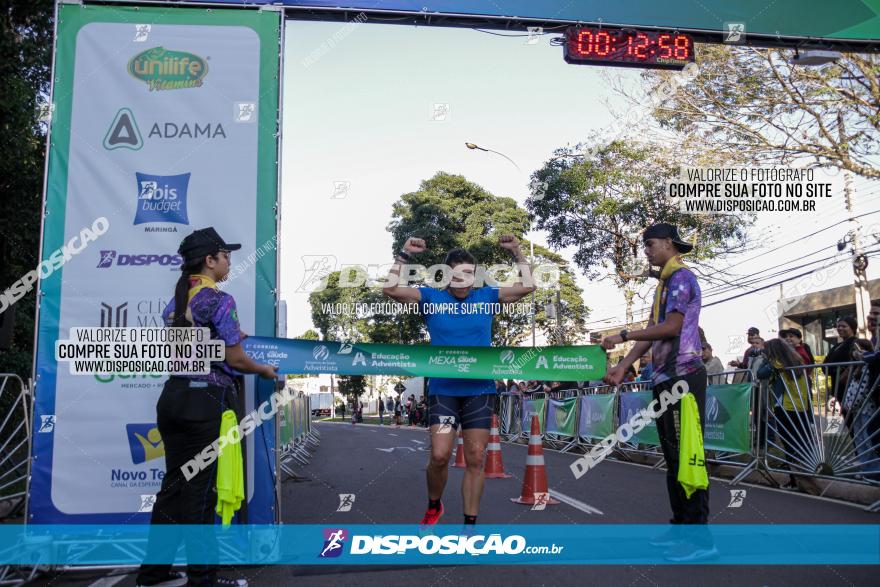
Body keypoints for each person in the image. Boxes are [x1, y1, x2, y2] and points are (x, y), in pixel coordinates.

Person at [137, 227, 278, 587]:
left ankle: (153, 574)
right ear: (210, 261)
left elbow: (199, 350)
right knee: (199, 493)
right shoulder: (219, 300)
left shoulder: (176, 302)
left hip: (173, 399)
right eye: (225, 255)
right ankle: (203, 579)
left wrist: (231, 335)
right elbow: (237, 360)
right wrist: (263, 368)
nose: (229, 261)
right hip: (204, 403)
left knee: (173, 487)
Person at [382, 234, 535, 526]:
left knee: (476, 457)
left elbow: (528, 286)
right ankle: (433, 505)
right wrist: (404, 254)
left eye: (468, 274)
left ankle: (470, 525)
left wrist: (516, 251)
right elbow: (390, 288)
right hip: (444, 390)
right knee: (440, 455)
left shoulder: (487, 296)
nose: (462, 280)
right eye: (456, 274)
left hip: (479, 390)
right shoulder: (431, 297)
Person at [601, 222, 715, 562]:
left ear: (669, 243)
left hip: (684, 376)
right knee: (673, 459)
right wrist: (623, 365)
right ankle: (681, 526)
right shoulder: (663, 284)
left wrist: (622, 336)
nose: (646, 251)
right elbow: (655, 332)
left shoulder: (681, 276)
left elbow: (673, 327)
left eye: (650, 244)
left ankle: (701, 539)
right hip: (664, 377)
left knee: (688, 459)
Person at [757, 339, 820, 494]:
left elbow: (761, 373)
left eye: (766, 350)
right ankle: (804, 479)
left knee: (789, 445)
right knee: (801, 443)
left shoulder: (777, 364)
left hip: (785, 406)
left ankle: (797, 481)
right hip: (801, 406)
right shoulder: (796, 361)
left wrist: (767, 360)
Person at [824, 317, 873, 404]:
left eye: (844, 326)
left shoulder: (857, 343)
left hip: (851, 386)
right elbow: (825, 365)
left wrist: (841, 370)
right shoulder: (837, 346)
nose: (840, 328)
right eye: (838, 326)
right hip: (837, 385)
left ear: (852, 328)